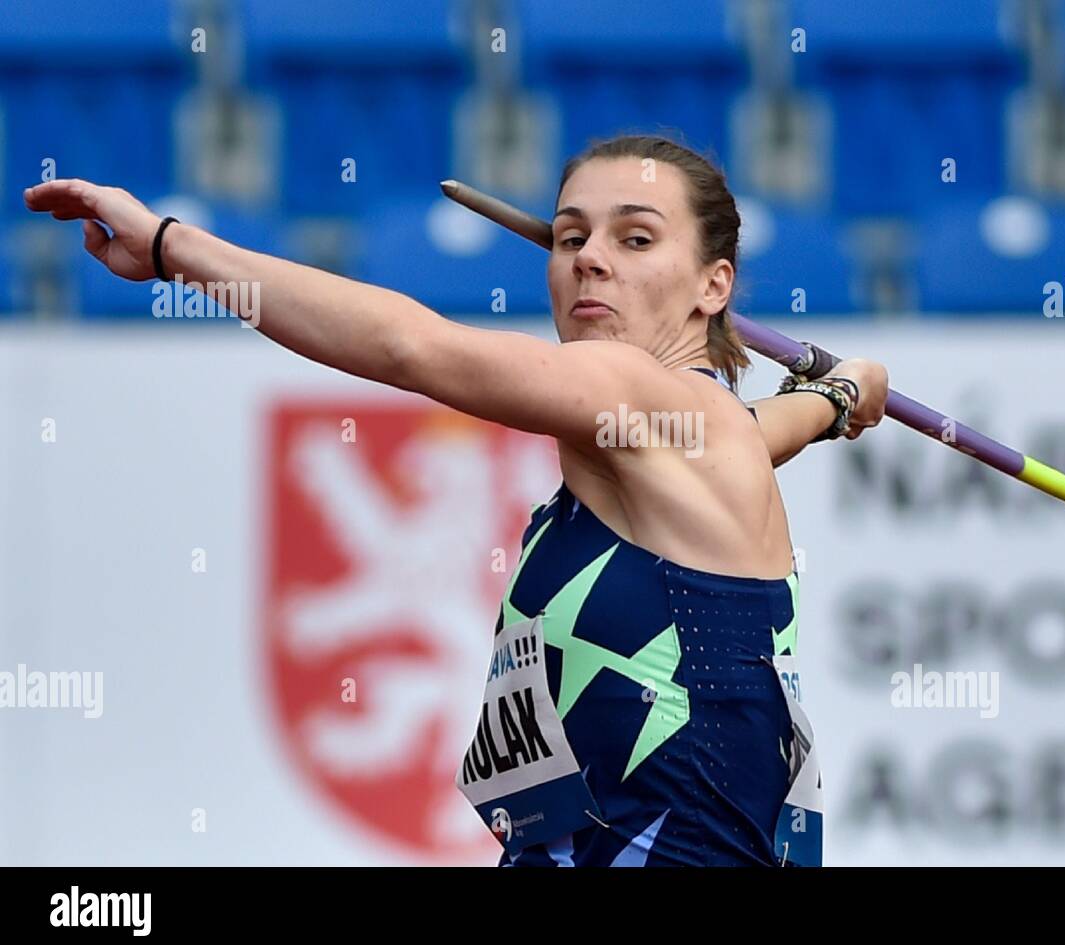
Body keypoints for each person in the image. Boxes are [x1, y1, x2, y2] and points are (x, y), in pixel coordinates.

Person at [25, 134, 889, 866]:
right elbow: (755, 430)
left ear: (714, 286)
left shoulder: (648, 399)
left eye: (634, 240)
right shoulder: (699, 438)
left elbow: (408, 348)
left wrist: (174, 246)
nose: (587, 256)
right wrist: (839, 398)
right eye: (568, 236)